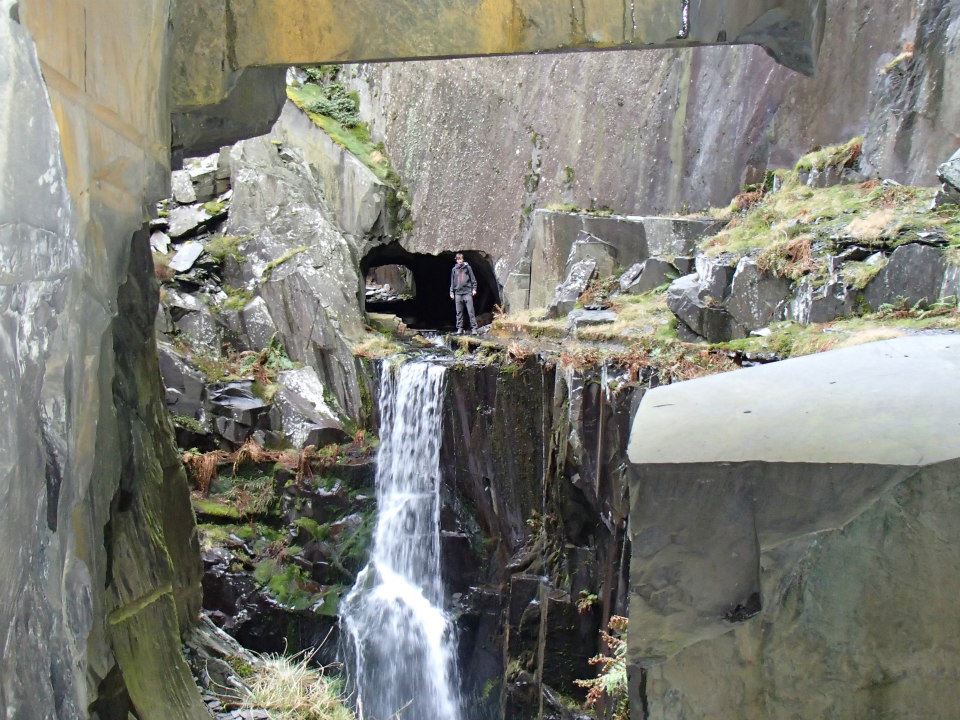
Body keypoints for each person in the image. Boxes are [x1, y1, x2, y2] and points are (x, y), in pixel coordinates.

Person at [449, 252, 479, 334]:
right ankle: (460, 328)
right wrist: (451, 292)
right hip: (458, 293)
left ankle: (474, 328)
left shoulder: (468, 268)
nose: (459, 261)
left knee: (470, 311)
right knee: (459, 312)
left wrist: (474, 289)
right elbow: (452, 282)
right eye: (458, 259)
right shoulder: (454, 269)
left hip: (467, 292)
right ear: (456, 260)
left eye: (461, 259)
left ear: (463, 259)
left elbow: (473, 279)